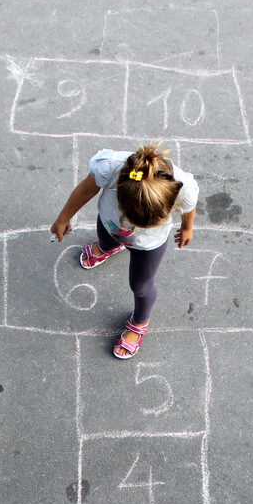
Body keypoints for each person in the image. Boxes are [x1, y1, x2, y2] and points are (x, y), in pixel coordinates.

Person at [50, 144, 199, 358]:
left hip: (149, 245)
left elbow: (190, 204)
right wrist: (63, 218)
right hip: (111, 225)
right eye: (130, 217)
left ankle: (140, 320)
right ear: (119, 185)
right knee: (106, 238)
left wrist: (187, 227)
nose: (134, 224)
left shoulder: (180, 185)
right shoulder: (109, 168)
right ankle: (107, 247)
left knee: (141, 285)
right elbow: (86, 189)